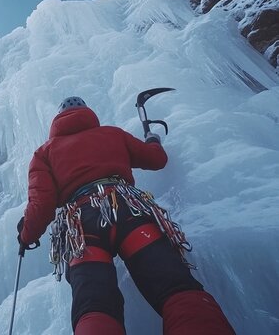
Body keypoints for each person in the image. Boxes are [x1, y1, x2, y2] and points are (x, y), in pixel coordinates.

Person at [16, 96, 235, 335]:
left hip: (82, 227)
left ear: (56, 120)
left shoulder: (44, 153)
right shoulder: (113, 134)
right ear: (88, 113)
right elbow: (156, 159)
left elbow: (42, 203)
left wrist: (27, 235)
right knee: (176, 287)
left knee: (94, 304)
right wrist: (153, 140)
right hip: (129, 211)